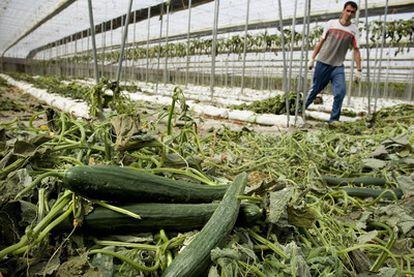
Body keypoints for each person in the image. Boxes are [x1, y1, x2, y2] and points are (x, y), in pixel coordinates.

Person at [305, 1, 362, 122]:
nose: (349, 13)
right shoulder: (331, 24)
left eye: (352, 12)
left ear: (354, 14)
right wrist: (312, 58)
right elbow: (321, 41)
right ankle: (299, 110)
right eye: (348, 10)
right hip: (323, 63)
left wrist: (358, 70)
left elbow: (356, 50)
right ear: (343, 11)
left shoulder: (354, 30)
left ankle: (333, 121)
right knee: (315, 89)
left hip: (337, 66)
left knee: (340, 92)